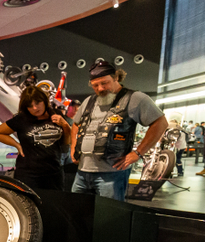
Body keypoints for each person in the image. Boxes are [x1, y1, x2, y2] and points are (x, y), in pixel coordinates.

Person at [69, 60, 169, 200]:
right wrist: (73, 147)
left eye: (104, 83)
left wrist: (138, 153)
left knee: (109, 217)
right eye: (95, 85)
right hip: (82, 172)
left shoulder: (135, 99)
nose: (100, 88)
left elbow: (161, 122)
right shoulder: (88, 101)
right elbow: (76, 124)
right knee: (77, 214)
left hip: (112, 174)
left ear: (116, 77)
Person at [0, 86, 71, 190]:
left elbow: (65, 143)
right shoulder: (22, 118)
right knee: (28, 205)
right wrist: (16, 145)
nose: (35, 108)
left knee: (55, 204)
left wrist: (65, 125)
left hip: (54, 171)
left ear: (44, 100)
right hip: (28, 173)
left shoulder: (56, 114)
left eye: (37, 103)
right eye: (30, 106)